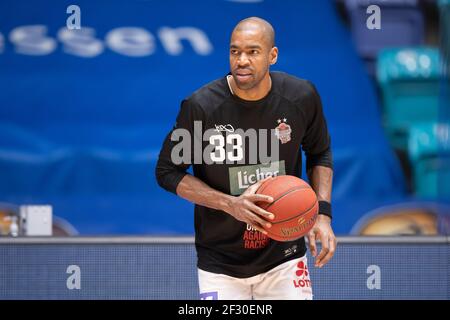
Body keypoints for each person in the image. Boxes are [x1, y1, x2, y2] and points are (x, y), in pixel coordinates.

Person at [156, 17, 336, 300]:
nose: (241, 60)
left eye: (252, 51)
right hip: (220, 262)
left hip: (284, 257)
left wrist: (322, 215)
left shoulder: (301, 97)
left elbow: (319, 152)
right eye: (234, 51)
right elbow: (167, 171)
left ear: (272, 55)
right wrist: (231, 205)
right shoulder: (201, 107)